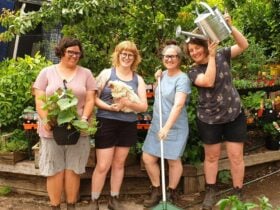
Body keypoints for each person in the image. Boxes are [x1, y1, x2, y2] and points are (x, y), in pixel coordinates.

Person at [184, 13, 249, 210]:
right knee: (211, 157)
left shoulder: (223, 54)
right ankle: (210, 191)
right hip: (209, 118)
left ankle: (238, 191)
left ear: (204, 46)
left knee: (236, 157)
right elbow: (209, 81)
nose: (194, 52)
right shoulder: (193, 71)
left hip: (233, 114)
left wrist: (230, 26)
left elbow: (244, 45)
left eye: (196, 48)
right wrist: (211, 57)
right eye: (191, 50)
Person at [33, 37, 97, 210]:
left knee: (73, 170)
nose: (74, 56)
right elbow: (40, 100)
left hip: (78, 129)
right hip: (51, 129)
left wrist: (83, 119)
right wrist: (46, 119)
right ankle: (55, 206)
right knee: (54, 170)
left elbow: (91, 99)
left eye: (77, 53)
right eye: (70, 52)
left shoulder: (86, 74)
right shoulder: (47, 72)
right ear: (61, 51)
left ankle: (71, 206)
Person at [90, 40, 148, 210]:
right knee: (102, 165)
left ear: (135, 58)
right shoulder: (106, 74)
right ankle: (94, 200)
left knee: (119, 163)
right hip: (106, 122)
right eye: (124, 54)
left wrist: (127, 104)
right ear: (118, 54)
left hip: (128, 124)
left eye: (130, 55)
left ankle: (113, 198)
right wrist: (109, 107)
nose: (127, 57)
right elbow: (93, 97)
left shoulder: (138, 79)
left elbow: (143, 106)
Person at [142, 42, 192, 208]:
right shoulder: (161, 75)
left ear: (179, 59)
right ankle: (157, 190)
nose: (169, 59)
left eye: (173, 56)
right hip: (157, 124)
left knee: (173, 160)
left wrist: (167, 128)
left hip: (174, 126)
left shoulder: (182, 79)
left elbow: (178, 105)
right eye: (166, 56)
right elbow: (159, 97)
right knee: (148, 158)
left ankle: (171, 193)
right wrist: (157, 80)